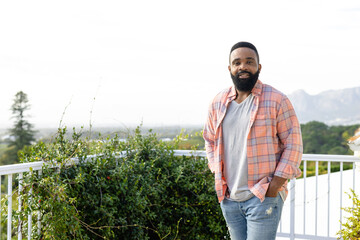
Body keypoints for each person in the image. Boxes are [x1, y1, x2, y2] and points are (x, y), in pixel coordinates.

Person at [203, 41, 303, 240]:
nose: (243, 67)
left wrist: (274, 185)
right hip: (229, 197)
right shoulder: (218, 102)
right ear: (230, 68)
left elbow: (294, 144)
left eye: (249, 62)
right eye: (237, 62)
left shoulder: (276, 100)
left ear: (259, 67)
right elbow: (209, 139)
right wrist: (216, 170)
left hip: (262, 195)